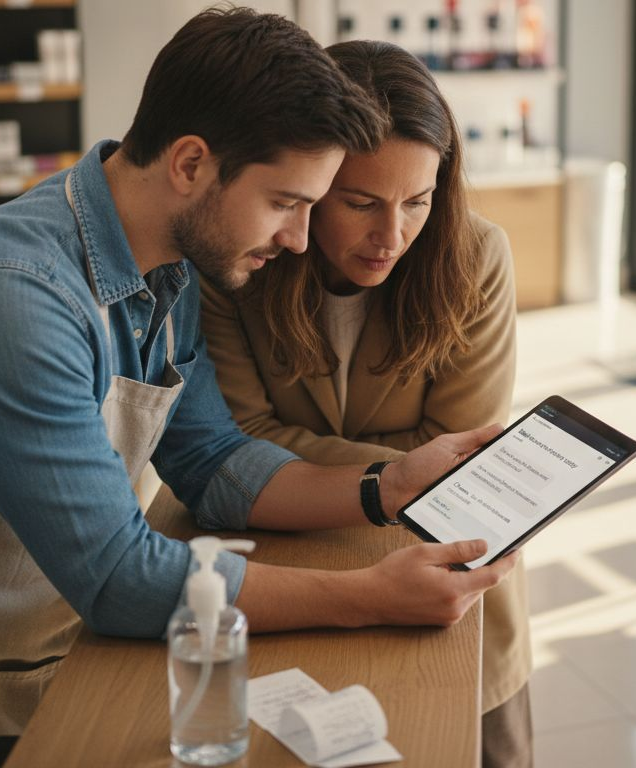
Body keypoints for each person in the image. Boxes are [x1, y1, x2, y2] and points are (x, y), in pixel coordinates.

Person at [0, 9, 517, 744]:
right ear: (190, 164)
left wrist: (385, 486)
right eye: (285, 203)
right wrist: (366, 597)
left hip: (57, 650)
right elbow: (119, 576)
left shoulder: (171, 268)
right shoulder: (10, 299)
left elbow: (215, 462)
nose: (300, 240)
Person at [197, 40, 532, 767]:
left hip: (447, 575)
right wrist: (400, 465)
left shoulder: (475, 256)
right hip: (293, 568)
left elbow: (457, 448)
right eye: (360, 204)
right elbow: (237, 435)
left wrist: (293, 455)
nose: (393, 237)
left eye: (418, 202)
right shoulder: (241, 257)